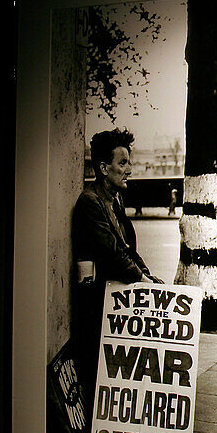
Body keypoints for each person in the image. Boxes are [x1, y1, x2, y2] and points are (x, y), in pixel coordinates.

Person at [71, 128, 162, 414]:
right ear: (102, 167)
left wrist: (148, 274)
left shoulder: (115, 200)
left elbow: (127, 248)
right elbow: (111, 253)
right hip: (96, 302)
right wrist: (142, 280)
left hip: (114, 298)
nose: (129, 170)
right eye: (122, 163)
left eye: (128, 163)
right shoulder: (90, 202)